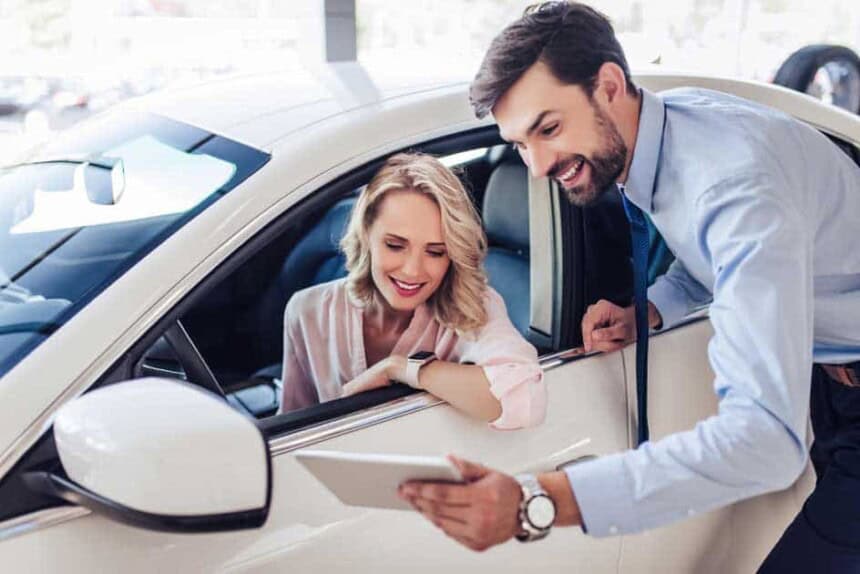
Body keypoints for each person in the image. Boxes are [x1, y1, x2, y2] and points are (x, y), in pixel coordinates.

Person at [397, 2, 860, 570]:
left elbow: (764, 442)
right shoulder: (663, 137)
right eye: (520, 143)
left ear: (609, 85)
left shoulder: (734, 189)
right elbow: (708, 254)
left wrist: (536, 500)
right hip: (832, 378)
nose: (537, 166)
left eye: (549, 128)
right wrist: (654, 308)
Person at [279, 152, 546, 430]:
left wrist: (402, 368)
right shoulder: (306, 311)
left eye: (435, 252)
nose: (412, 271)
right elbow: (291, 430)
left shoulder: (472, 306)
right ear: (366, 234)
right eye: (395, 245)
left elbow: (525, 401)